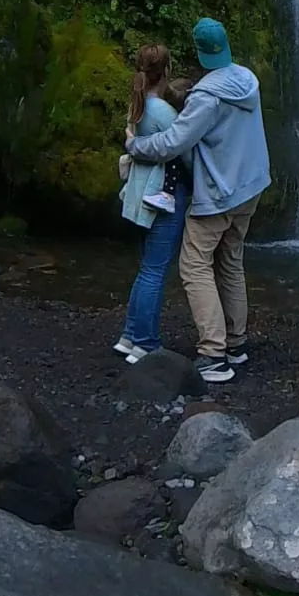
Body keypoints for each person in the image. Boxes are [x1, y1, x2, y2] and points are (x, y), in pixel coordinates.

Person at [126, 17, 270, 383]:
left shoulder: (207, 97)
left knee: (194, 265)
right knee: (231, 260)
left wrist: (135, 146)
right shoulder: (246, 80)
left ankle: (213, 354)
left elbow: (173, 142)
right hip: (251, 186)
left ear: (201, 53)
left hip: (220, 193)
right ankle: (236, 345)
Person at [115, 46, 190, 364]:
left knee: (146, 268)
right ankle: (145, 343)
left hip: (140, 195)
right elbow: (183, 151)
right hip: (161, 198)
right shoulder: (164, 113)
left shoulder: (139, 105)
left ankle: (130, 336)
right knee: (155, 271)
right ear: (167, 70)